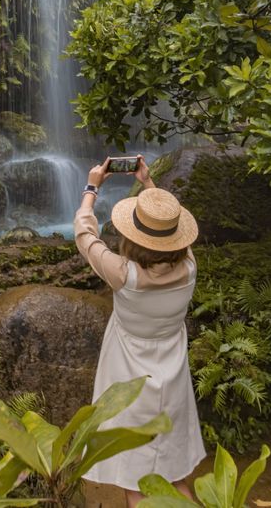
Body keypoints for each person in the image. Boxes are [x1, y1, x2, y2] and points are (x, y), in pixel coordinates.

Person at [74, 155, 205, 507]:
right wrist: (151, 187)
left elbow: (85, 234)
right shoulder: (189, 266)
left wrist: (92, 187)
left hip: (128, 373)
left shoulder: (123, 274)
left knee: (135, 478)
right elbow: (173, 236)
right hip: (172, 373)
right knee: (176, 475)